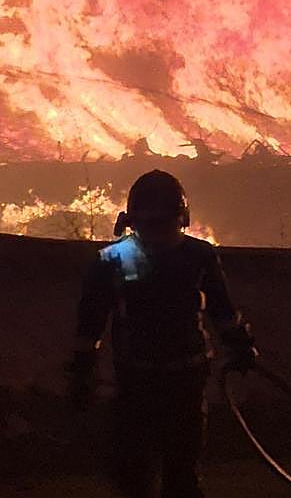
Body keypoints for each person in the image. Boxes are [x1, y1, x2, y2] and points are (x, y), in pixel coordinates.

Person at [67, 169, 257, 498]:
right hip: (146, 380)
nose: (156, 237)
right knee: (141, 474)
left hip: (175, 379)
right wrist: (82, 373)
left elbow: (223, 312)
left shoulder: (185, 257)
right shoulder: (186, 256)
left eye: (161, 225)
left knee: (175, 473)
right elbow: (90, 325)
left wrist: (240, 346)